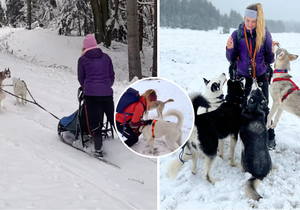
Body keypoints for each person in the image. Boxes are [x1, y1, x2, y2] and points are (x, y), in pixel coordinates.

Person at [226, 3, 277, 150]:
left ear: (258, 21)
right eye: (247, 20)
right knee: (244, 107)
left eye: (253, 21)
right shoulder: (237, 34)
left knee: (264, 107)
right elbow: (231, 58)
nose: (250, 24)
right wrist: (229, 49)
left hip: (261, 75)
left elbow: (270, 59)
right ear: (244, 18)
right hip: (243, 77)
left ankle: (270, 137)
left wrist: (272, 52)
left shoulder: (265, 34)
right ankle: (246, 137)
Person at [77, 34, 115, 157]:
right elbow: (111, 75)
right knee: (109, 118)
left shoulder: (82, 60)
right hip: (107, 95)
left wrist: (86, 87)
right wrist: (106, 85)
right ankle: (116, 144)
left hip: (91, 95)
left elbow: (81, 78)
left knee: (95, 121)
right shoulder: (106, 58)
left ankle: (98, 149)